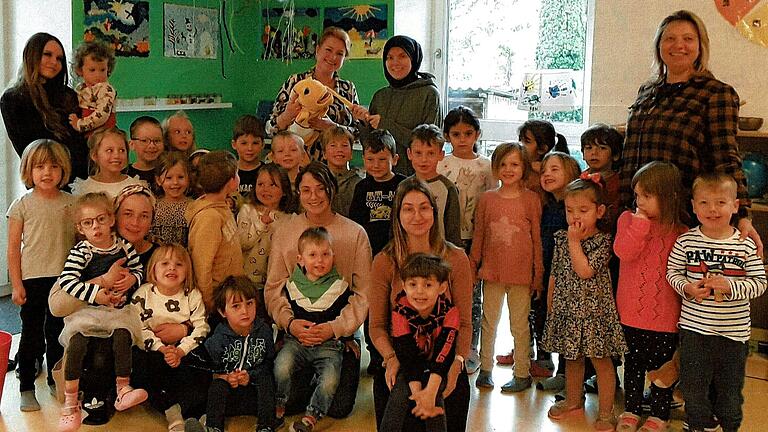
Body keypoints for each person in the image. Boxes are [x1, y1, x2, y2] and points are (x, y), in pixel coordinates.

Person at [618, 9, 761, 254]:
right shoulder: (647, 91)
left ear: (700, 46)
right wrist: (621, 207)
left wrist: (743, 214)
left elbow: (725, 156)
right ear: (659, 46)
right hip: (637, 214)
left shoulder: (716, 93)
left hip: (682, 218)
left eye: (688, 38)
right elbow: (631, 153)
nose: (678, 45)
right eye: (669, 38)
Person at [265, 162, 371, 420]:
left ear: (331, 190)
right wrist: (289, 323)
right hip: (296, 332)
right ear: (298, 193)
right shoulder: (285, 231)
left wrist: (336, 328)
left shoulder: (355, 233)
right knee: (288, 401)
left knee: (339, 408)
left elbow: (363, 293)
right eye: (306, 190)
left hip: (337, 336)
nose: (314, 196)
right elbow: (274, 287)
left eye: (320, 189)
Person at [369, 177, 472, 432]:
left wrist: (457, 363)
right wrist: (391, 358)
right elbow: (377, 326)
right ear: (397, 215)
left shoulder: (457, 259)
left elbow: (466, 323)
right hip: (402, 356)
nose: (417, 215)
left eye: (424, 207)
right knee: (391, 391)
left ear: (434, 213)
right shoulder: (384, 261)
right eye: (408, 208)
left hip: (444, 356)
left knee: (452, 396)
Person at [667, 173, 767, 432]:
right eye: (704, 203)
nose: (712, 209)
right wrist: (687, 288)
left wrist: (732, 286)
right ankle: (699, 426)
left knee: (729, 394)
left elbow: (760, 283)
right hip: (694, 332)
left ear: (735, 206)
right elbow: (672, 273)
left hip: (733, 336)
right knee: (693, 388)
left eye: (721, 203)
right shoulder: (685, 240)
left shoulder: (745, 244)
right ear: (693, 206)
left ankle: (729, 426)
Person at [541, 176, 627, 431]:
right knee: (572, 358)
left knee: (601, 360)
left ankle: (605, 412)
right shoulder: (561, 238)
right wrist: (551, 304)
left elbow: (585, 271)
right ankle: (572, 399)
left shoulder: (602, 241)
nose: (575, 217)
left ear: (599, 211)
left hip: (594, 313)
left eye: (583, 210)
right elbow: (555, 272)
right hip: (567, 309)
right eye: (569, 210)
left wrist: (573, 242)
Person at [56, 192, 147, 432]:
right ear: (80, 227)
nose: (95, 227)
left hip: (117, 311)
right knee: (76, 343)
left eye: (100, 220)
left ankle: (122, 389)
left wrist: (131, 281)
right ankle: (70, 401)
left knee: (123, 336)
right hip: (88, 311)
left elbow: (139, 269)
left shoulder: (123, 245)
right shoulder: (81, 251)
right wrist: (95, 293)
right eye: (88, 223)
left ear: (111, 220)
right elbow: (67, 282)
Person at [614, 162, 687, 432]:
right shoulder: (627, 220)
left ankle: (659, 414)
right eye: (637, 195)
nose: (640, 201)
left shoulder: (681, 233)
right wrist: (640, 226)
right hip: (630, 315)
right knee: (632, 366)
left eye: (647, 196)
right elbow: (624, 252)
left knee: (662, 370)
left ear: (668, 197)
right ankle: (631, 409)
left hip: (665, 319)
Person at [7, 139, 75, 411]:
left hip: (64, 280)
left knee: (58, 332)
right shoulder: (21, 205)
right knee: (31, 334)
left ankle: (56, 380)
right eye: (40, 167)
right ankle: (26, 387)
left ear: (63, 170)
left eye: (54, 166)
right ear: (28, 170)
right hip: (32, 280)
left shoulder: (73, 203)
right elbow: (13, 249)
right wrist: (16, 284)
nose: (47, 172)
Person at [471, 143, 542, 393]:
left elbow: (537, 239)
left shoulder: (531, 199)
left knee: (520, 324)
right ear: (495, 168)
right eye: (503, 164)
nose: (508, 169)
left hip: (522, 275)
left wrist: (538, 273)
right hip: (492, 272)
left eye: (514, 164)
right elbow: (479, 235)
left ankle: (522, 372)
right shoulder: (487, 199)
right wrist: (473, 266)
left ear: (524, 167)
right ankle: (486, 369)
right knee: (489, 322)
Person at [274, 227, 360, 432]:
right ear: (300, 259)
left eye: (325, 255)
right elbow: (287, 311)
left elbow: (343, 312)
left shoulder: (339, 286)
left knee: (330, 379)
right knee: (282, 365)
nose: (319, 261)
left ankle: (312, 415)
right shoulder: (293, 285)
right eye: (312, 255)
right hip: (297, 342)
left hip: (329, 345)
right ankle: (278, 403)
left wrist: (348, 338)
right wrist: (281, 335)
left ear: (333, 256)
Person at [437, 106, 496, 373]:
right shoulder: (441, 164)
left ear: (477, 134)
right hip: (446, 237)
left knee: (473, 295)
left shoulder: (486, 167)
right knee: (444, 291)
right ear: (447, 136)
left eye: (468, 133)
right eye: (456, 134)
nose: (462, 139)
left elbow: (490, 203)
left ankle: (471, 348)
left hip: (475, 238)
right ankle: (445, 343)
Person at [131, 244, 209, 432]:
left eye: (178, 264)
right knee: (144, 369)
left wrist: (181, 350)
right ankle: (171, 411)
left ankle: (197, 415)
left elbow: (201, 326)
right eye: (165, 263)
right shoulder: (143, 294)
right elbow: (137, 328)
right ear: (153, 270)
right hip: (154, 350)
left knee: (200, 367)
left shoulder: (192, 295)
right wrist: (161, 348)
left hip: (184, 348)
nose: (172, 268)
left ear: (187, 270)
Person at [186, 276, 279, 432]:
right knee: (217, 386)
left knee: (266, 380)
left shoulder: (264, 331)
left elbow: (268, 363)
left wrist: (250, 376)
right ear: (223, 312)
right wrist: (225, 377)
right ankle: (213, 427)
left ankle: (266, 426)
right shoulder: (218, 337)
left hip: (254, 393)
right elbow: (205, 368)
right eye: (236, 306)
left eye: (249, 303)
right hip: (229, 395)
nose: (245, 311)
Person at [380, 253, 458, 432]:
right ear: (404, 286)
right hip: (411, 364)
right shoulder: (400, 312)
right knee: (399, 393)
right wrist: (417, 394)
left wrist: (429, 392)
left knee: (435, 398)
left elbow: (444, 352)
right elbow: (407, 355)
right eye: (413, 284)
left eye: (428, 285)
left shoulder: (450, 312)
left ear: (442, 287)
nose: (420, 291)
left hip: (437, 366)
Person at [1, 32, 89, 180]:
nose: (54, 62)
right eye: (47, 54)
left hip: (80, 178)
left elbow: (80, 141)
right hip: (45, 180)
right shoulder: (13, 99)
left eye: (59, 59)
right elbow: (28, 150)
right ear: (32, 55)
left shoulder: (68, 95)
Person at [352, 35, 442, 176]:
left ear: (413, 58)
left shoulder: (429, 94)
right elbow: (370, 146)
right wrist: (363, 123)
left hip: (415, 182)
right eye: (389, 57)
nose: (395, 63)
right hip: (379, 182)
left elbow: (429, 145)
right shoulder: (380, 96)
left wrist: (386, 125)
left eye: (402, 56)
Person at [267, 27, 360, 162]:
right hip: (294, 167)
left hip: (333, 168)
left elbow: (357, 133)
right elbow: (270, 129)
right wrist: (287, 115)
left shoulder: (348, 89)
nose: (333, 57)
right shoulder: (295, 82)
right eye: (328, 50)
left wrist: (332, 127)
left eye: (340, 53)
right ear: (317, 50)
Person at [533, 153, 582, 391]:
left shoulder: (573, 207)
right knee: (544, 315)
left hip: (569, 275)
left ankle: (567, 373)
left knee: (567, 323)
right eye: (543, 171)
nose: (547, 175)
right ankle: (546, 361)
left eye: (554, 169)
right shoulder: (546, 205)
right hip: (547, 271)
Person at [185, 151, 244, 312]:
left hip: (231, 295)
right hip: (218, 302)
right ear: (231, 181)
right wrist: (209, 303)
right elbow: (202, 266)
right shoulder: (209, 217)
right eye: (237, 173)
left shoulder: (222, 207)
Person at [238, 163, 294, 319]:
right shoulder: (247, 210)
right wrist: (262, 224)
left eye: (272, 185)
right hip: (247, 280)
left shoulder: (289, 218)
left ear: (284, 191)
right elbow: (243, 242)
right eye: (260, 184)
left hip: (274, 283)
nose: (265, 189)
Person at [407, 124, 462, 247]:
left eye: (430, 153)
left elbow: (452, 233)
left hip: (439, 255)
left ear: (441, 155)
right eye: (418, 153)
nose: (424, 159)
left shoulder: (448, 189)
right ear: (409, 154)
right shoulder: (403, 187)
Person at [69, 127, 146, 198]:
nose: (116, 155)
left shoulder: (135, 186)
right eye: (109, 150)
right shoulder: (84, 188)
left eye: (121, 150)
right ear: (95, 155)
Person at [68, 41, 117, 136]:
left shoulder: (106, 89)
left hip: (104, 133)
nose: (98, 75)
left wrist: (80, 124)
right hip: (88, 134)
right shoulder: (80, 88)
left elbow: (102, 114)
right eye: (92, 70)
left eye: (102, 70)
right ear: (80, 70)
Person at [580, 123, 623, 230]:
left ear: (615, 155)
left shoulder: (619, 182)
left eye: (602, 148)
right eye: (588, 148)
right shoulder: (580, 178)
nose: (594, 152)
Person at [518, 120, 569, 203]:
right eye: (520, 140)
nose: (520, 145)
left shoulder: (542, 174)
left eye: (527, 141)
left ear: (542, 149)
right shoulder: (521, 167)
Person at [151, 152, 192, 246]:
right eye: (168, 178)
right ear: (158, 180)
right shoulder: (153, 206)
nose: (175, 182)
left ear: (188, 178)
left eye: (180, 177)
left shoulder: (194, 206)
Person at [321, 126, 363, 218]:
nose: (339, 150)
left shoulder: (359, 183)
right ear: (324, 153)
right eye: (333, 145)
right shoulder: (318, 180)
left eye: (344, 145)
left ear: (351, 153)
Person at [231, 114, 266, 201]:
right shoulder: (228, 173)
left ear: (263, 144)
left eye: (255, 143)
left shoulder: (268, 173)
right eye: (244, 143)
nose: (249, 148)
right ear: (234, 144)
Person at [127, 116, 165, 186]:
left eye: (157, 141)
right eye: (144, 140)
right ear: (132, 144)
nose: (152, 146)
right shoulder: (124, 174)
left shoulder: (168, 172)